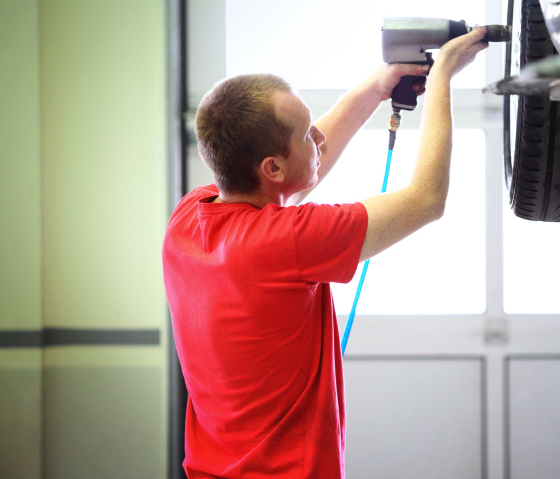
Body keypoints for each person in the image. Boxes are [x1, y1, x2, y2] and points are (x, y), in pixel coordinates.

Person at [162, 27, 488, 479]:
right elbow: (427, 199)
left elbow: (296, 176)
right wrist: (443, 81)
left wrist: (375, 89)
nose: (317, 137)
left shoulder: (189, 216)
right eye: (304, 133)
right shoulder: (285, 241)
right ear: (271, 167)